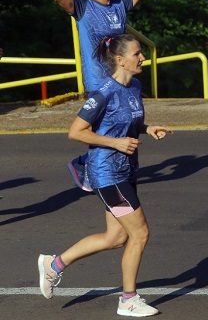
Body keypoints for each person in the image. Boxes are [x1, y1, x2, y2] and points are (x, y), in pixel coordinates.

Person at [27, 0, 181, 192]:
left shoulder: (120, 4)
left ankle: (90, 165)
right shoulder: (83, 8)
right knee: (100, 129)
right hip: (98, 81)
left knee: (118, 124)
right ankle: (90, 169)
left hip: (119, 79)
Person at [37, 34, 172, 316]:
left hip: (126, 169)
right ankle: (128, 300)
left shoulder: (134, 86)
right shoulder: (103, 93)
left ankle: (54, 265)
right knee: (140, 234)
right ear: (121, 60)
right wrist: (116, 143)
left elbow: (125, 121)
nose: (143, 58)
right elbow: (75, 132)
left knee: (115, 238)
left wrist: (147, 129)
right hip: (107, 174)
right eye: (137, 54)